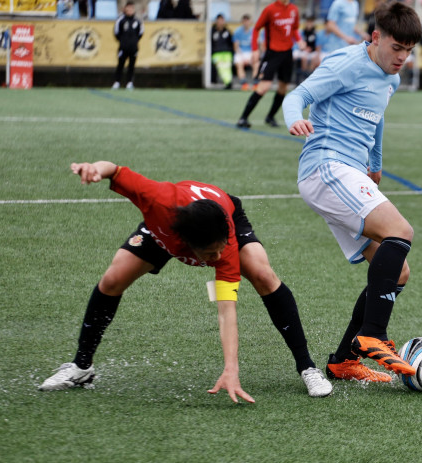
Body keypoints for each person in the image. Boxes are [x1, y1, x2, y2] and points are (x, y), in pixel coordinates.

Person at [38, 161, 333, 400]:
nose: (217, 257)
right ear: (186, 246)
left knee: (263, 275)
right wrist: (93, 169)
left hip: (224, 212)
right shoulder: (157, 201)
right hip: (168, 228)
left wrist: (231, 368)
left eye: (220, 250)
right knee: (113, 279)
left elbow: (226, 310)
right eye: (209, 254)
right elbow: (113, 170)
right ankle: (81, 367)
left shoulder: (225, 244)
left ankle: (307, 367)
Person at [282, 2, 422, 383]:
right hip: (325, 167)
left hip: (347, 173)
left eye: (409, 51)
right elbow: (297, 95)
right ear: (375, 37)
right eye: (396, 48)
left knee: (398, 272)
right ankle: (373, 336)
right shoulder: (345, 64)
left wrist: (375, 163)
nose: (402, 58)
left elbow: (376, 120)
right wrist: (295, 118)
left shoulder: (390, 79)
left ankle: (343, 361)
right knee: (401, 231)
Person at [235, 0, 305, 129]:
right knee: (264, 87)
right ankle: (243, 118)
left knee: (283, 87)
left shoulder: (294, 10)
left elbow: (294, 29)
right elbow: (256, 29)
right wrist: (255, 49)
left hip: (287, 54)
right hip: (272, 54)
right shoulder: (270, 9)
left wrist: (299, 40)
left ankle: (270, 116)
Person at [112, 1, 143, 90]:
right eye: (128, 8)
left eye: (131, 8)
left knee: (131, 66)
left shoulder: (137, 21)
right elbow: (116, 33)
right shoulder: (120, 21)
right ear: (125, 9)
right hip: (123, 47)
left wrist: (134, 41)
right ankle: (117, 82)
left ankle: (129, 82)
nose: (130, 10)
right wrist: (122, 41)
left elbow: (140, 33)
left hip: (133, 47)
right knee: (120, 64)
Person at [232, 14, 257, 91]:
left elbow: (255, 46)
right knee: (239, 63)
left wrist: (252, 55)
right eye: (244, 21)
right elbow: (236, 47)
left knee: (256, 63)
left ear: (250, 22)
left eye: (247, 20)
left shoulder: (254, 31)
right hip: (241, 52)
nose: (246, 22)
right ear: (242, 22)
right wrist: (243, 57)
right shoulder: (237, 32)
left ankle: (256, 83)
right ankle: (244, 84)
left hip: (250, 52)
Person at [211, 14, 235, 89]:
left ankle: (228, 82)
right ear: (216, 21)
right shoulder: (212, 31)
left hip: (227, 53)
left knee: (227, 66)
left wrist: (231, 52)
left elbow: (231, 43)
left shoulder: (227, 31)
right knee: (221, 67)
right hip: (216, 54)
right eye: (219, 20)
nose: (220, 22)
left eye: (222, 20)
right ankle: (228, 82)